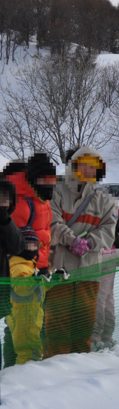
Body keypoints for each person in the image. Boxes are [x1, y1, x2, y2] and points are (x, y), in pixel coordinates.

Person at [48, 146, 119, 357]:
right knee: (57, 322)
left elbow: (109, 231)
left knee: (86, 321)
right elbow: (51, 221)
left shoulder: (104, 200)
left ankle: (81, 364)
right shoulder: (55, 190)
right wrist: (71, 240)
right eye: (84, 165)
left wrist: (88, 242)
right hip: (60, 269)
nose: (88, 171)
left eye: (93, 167)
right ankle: (55, 363)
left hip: (90, 270)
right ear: (74, 166)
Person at [3, 154, 55, 365]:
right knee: (20, 325)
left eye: (51, 180)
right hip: (19, 270)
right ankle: (14, 370)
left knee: (32, 322)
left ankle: (20, 367)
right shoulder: (18, 200)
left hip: (38, 268)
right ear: (32, 178)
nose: (49, 184)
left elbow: (44, 234)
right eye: (44, 180)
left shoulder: (41, 197)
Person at [0, 178, 26, 368]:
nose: (2, 202)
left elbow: (18, 246)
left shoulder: (6, 222)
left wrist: (6, 221)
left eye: (5, 198)